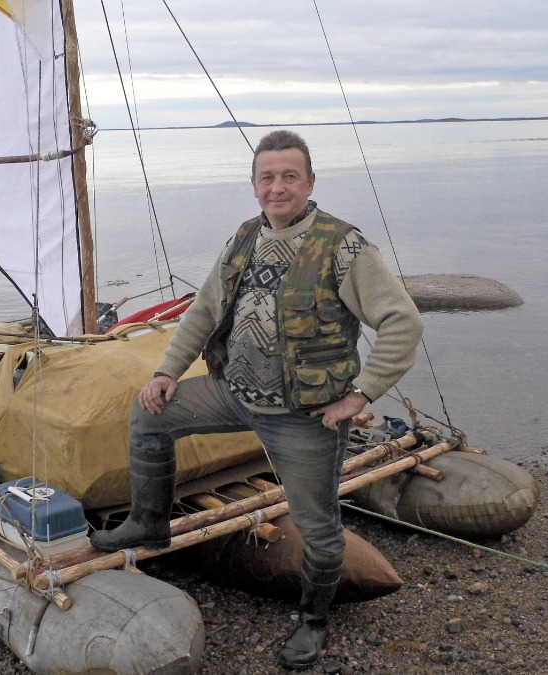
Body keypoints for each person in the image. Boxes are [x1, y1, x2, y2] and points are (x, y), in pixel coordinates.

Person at [89, 130, 423, 670]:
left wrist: (361, 396)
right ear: (254, 185)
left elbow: (402, 322)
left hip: (302, 415)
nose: (278, 187)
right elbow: (202, 311)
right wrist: (167, 373)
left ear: (310, 182)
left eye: (290, 176)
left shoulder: (344, 246)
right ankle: (148, 522)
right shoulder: (246, 237)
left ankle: (314, 621)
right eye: (267, 177)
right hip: (233, 394)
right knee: (148, 413)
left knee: (318, 526)